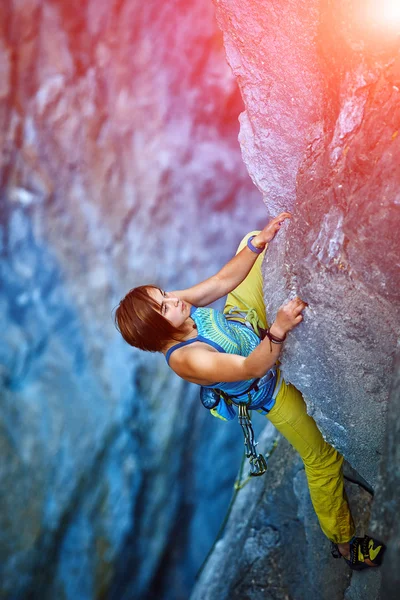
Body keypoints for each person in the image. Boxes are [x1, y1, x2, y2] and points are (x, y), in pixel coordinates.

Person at [114, 212, 385, 570]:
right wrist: (279, 328)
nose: (173, 300)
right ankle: (346, 544)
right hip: (268, 386)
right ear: (156, 331)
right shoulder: (188, 360)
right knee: (321, 460)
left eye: (163, 294)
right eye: (164, 305)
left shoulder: (172, 314)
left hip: (243, 321)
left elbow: (221, 282)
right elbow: (252, 368)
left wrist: (259, 243)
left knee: (251, 241)